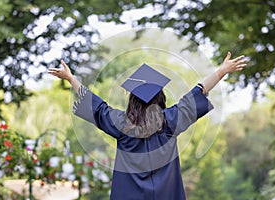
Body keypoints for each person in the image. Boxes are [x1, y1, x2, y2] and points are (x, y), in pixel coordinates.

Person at [48, 51, 247, 200]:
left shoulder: (121, 124)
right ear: (160, 97)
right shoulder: (171, 120)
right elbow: (198, 92)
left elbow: (98, 107)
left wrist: (71, 78)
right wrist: (221, 71)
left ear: (133, 99)